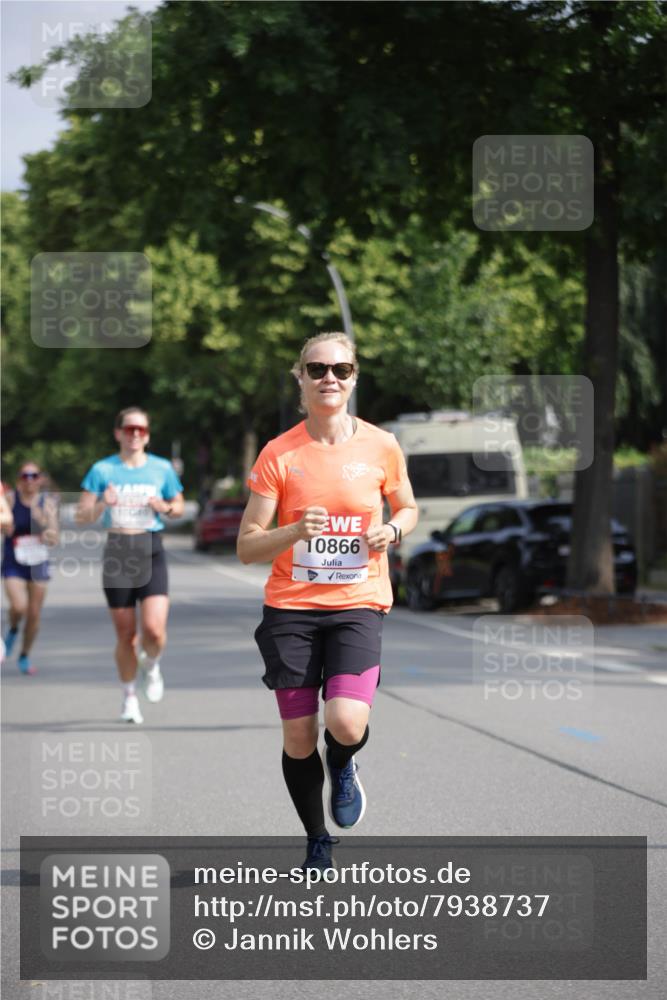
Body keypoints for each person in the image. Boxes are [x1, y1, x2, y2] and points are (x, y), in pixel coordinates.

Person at [237, 332, 418, 874]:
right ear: (301, 377)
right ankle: (317, 838)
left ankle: (344, 764)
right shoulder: (279, 453)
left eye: (341, 368)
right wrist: (292, 530)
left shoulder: (382, 445)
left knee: (344, 722)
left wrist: (393, 530)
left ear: (354, 377)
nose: (329, 378)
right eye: (317, 369)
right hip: (291, 608)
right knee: (298, 735)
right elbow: (247, 544)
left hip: (358, 602)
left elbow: (408, 507)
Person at [77, 407, 184, 724]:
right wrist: (101, 504)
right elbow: (82, 515)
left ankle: (151, 665)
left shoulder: (161, 468)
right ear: (118, 433)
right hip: (118, 552)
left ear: (147, 435)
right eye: (129, 429)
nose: (135, 434)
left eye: (141, 429)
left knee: (154, 630)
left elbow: (177, 506)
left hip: (150, 549)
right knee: (126, 635)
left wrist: (163, 506)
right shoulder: (102, 470)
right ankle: (129, 697)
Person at [2, 463, 58, 675]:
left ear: (40, 479)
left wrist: (45, 529)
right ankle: (13, 629)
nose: (29, 480)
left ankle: (24, 655)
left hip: (38, 562)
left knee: (34, 614)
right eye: (25, 475)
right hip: (13, 561)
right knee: (18, 607)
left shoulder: (47, 503)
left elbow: (55, 536)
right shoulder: (10, 499)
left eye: (34, 475)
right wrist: (4, 527)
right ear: (19, 479)